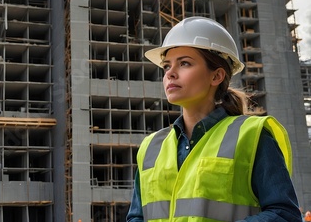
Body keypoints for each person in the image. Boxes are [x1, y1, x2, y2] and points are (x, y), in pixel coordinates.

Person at [126, 16, 301, 221]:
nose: (170, 74)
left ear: (216, 76)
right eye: (166, 66)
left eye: (184, 63)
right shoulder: (151, 147)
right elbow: (136, 217)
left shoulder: (251, 136)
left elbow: (284, 215)